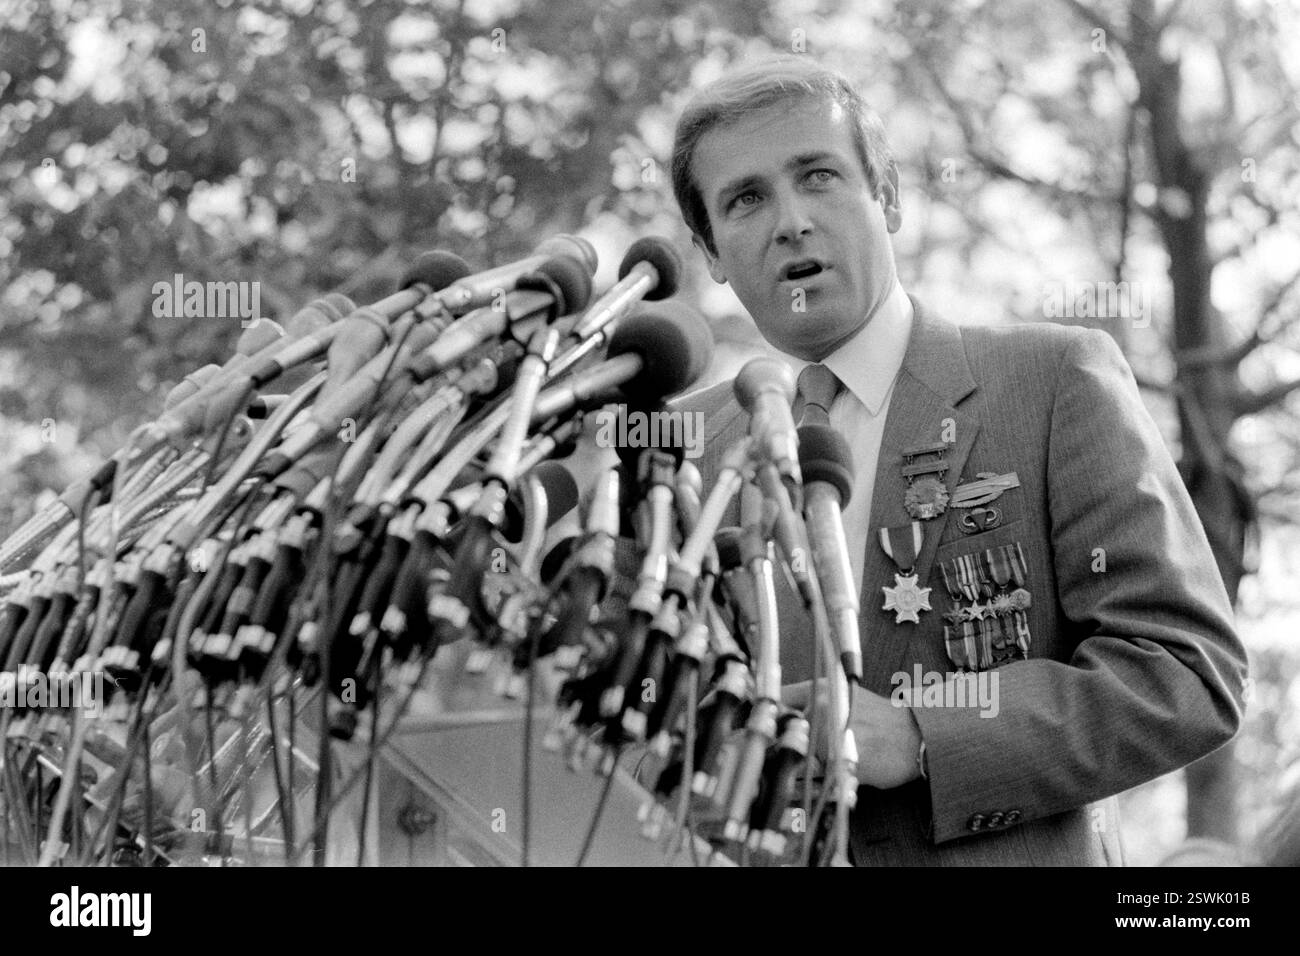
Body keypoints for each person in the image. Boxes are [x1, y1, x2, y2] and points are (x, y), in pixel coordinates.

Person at [667, 56, 1248, 865]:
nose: (790, 220)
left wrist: (921, 734)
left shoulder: (1053, 380)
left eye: (820, 176)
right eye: (746, 199)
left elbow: (1186, 674)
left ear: (890, 196)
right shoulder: (681, 449)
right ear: (713, 253)